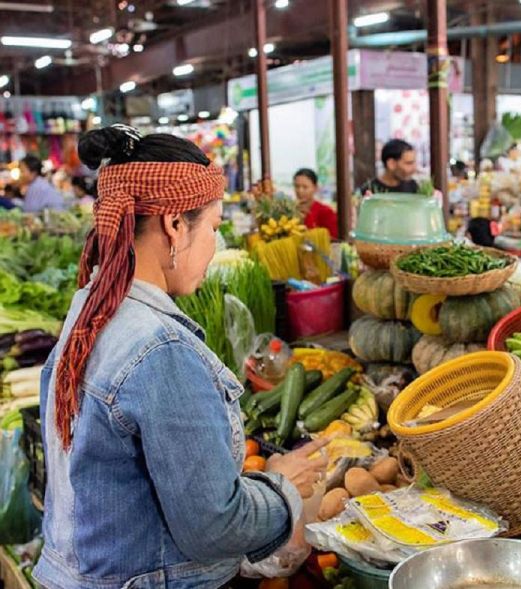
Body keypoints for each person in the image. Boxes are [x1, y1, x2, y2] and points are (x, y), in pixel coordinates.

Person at [34, 125, 327, 589]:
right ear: (174, 224)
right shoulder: (159, 350)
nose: (215, 244)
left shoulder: (89, 308)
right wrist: (281, 485)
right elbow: (214, 527)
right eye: (214, 226)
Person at [294, 168, 338, 239]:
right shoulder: (290, 211)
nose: (300, 191)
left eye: (305, 187)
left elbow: (334, 238)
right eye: (297, 186)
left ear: (315, 188)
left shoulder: (325, 212)